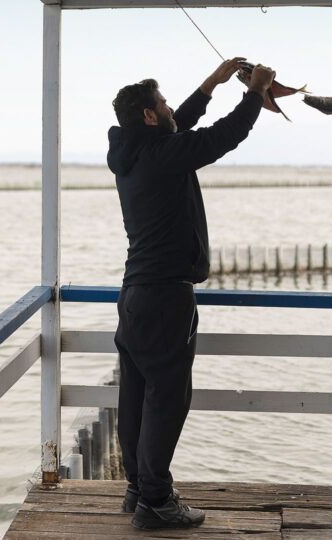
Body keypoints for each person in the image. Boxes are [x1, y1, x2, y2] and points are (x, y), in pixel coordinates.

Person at [106, 59, 274, 530]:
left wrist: (210, 85)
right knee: (168, 398)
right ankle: (156, 501)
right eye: (162, 102)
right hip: (164, 298)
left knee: (138, 395)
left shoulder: (137, 153)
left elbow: (180, 124)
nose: (168, 106)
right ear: (148, 116)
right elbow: (220, 138)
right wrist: (254, 93)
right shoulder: (161, 154)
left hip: (135, 296)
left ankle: (139, 488)